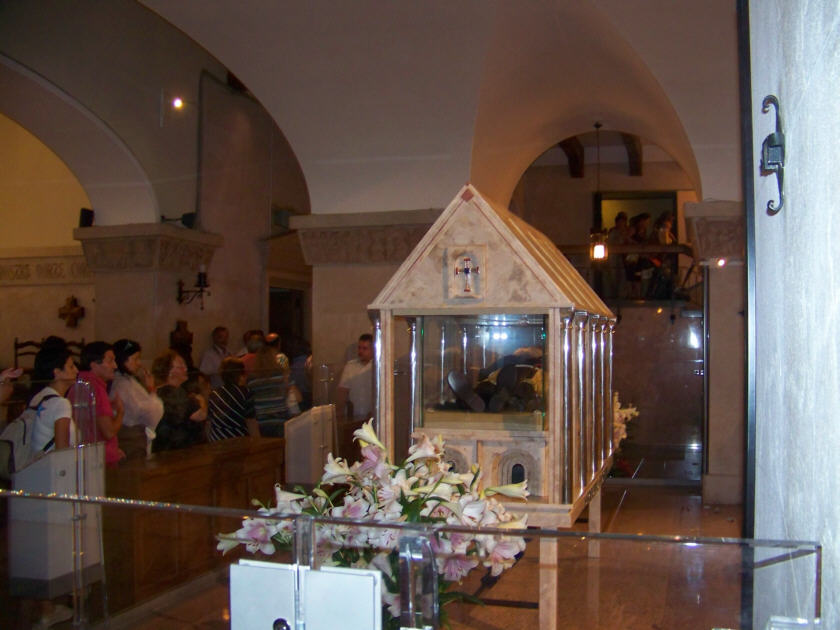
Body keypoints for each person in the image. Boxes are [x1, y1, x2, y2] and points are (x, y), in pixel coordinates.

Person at [69, 341, 125, 466]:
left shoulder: (79, 384)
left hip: (86, 456)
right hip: (101, 460)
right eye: (110, 361)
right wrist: (121, 412)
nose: (115, 366)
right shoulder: (96, 389)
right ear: (94, 365)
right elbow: (108, 432)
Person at [110, 339, 163, 460]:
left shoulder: (128, 380)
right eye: (135, 359)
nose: (139, 363)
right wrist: (152, 392)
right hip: (129, 438)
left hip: (134, 436)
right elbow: (148, 412)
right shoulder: (121, 384)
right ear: (123, 359)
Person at [150, 350, 207, 452]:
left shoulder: (158, 391)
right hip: (180, 449)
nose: (186, 369)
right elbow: (200, 415)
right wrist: (202, 401)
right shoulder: (174, 394)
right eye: (181, 366)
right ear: (169, 372)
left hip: (164, 448)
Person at [28, 338, 78, 453]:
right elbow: (62, 450)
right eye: (71, 367)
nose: (76, 370)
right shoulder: (61, 403)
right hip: (51, 463)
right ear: (57, 372)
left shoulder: (38, 396)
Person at [248, 335, 301, 437]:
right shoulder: (282, 376)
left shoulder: (252, 380)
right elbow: (298, 397)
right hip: (280, 421)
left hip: (261, 423)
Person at [208, 357, 258, 441]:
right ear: (240, 374)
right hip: (239, 439)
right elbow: (250, 421)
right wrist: (257, 441)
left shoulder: (214, 394)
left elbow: (209, 423)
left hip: (217, 440)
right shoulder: (245, 393)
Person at [336, 333, 374, 422]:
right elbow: (342, 392)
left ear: (373, 349)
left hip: (372, 417)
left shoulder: (378, 367)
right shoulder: (350, 366)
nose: (360, 351)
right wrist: (339, 412)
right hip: (353, 417)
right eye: (359, 348)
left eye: (364, 348)